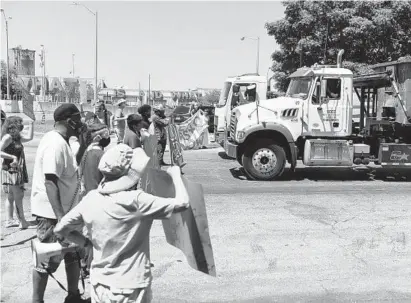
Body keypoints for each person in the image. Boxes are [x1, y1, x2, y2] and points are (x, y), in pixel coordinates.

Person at [54, 144, 189, 303]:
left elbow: (61, 229)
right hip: (131, 285)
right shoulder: (137, 200)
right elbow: (182, 203)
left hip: (99, 284)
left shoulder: (91, 199)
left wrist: (86, 243)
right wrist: (176, 176)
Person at [30, 103, 89, 303]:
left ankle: (73, 296)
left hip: (66, 212)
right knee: (47, 259)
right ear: (68, 120)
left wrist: (85, 144)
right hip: (53, 214)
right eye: (78, 118)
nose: (80, 123)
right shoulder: (54, 143)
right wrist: (60, 218)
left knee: (73, 255)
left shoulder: (64, 141)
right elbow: (50, 181)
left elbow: (71, 169)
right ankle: (37, 300)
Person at [1, 116, 34, 229]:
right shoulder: (8, 137)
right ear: (12, 125)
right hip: (12, 170)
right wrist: (13, 157)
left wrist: (32, 124)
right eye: (19, 123)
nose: (21, 125)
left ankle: (9, 220)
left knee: (11, 196)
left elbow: (29, 137)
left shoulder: (17, 137)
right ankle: (22, 221)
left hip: (14, 169)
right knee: (18, 196)